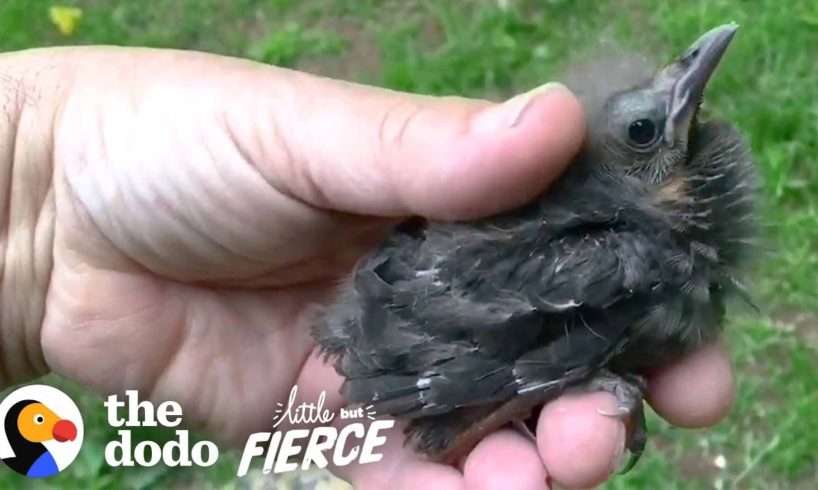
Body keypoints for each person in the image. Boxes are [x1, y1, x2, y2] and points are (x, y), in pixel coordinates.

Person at [0, 47, 734, 489]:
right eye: (644, 129)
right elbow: (482, 346)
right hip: (395, 352)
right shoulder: (627, 254)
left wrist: (39, 214)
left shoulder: (631, 244)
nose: (684, 89)